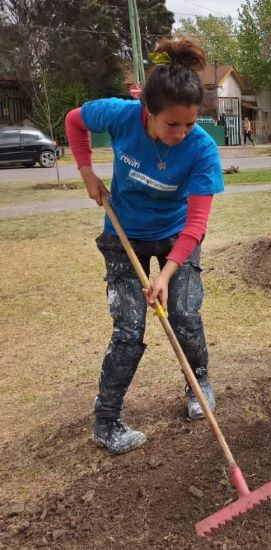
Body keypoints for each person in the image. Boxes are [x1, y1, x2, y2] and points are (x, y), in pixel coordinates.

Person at [65, 38, 224, 454]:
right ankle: (106, 421)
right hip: (124, 234)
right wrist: (86, 173)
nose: (182, 133)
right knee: (129, 328)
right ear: (148, 113)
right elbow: (73, 121)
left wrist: (168, 274)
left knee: (184, 313)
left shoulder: (202, 149)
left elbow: (197, 224)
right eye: (173, 125)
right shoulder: (119, 116)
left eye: (190, 124)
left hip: (176, 234)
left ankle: (198, 384)